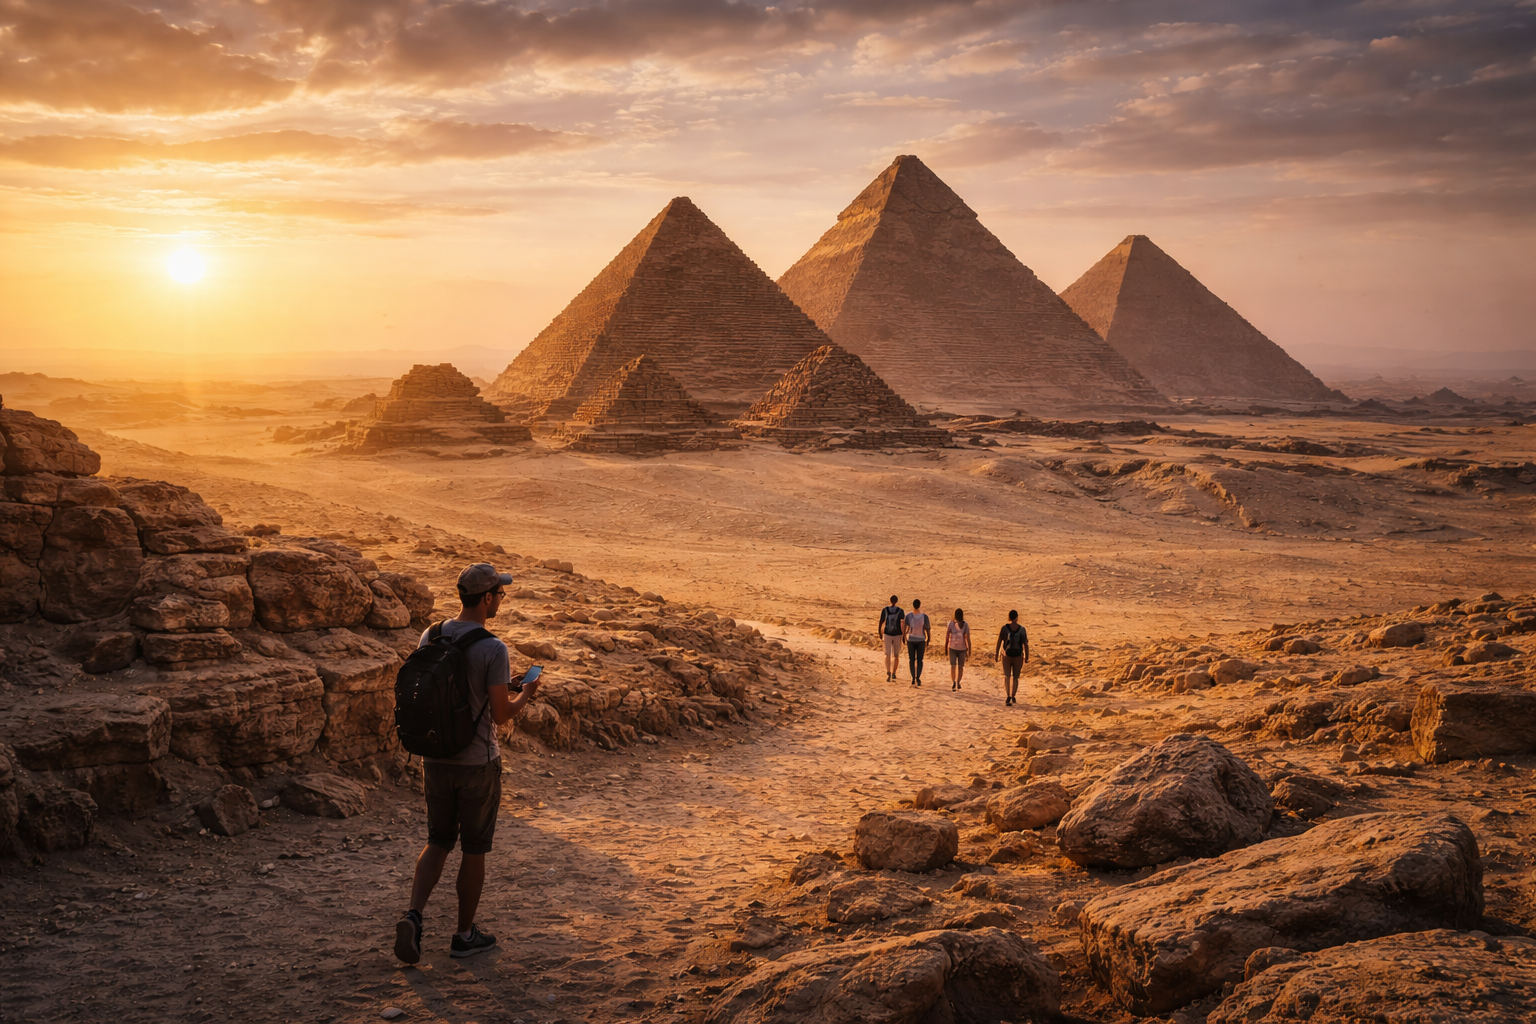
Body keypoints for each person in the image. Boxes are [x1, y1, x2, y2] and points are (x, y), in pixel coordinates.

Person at [395, 563, 543, 965]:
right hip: (477, 762)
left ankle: (413, 915)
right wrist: (525, 691)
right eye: (500, 594)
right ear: (488, 599)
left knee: (438, 839)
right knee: (474, 849)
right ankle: (464, 936)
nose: (502, 600)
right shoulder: (493, 648)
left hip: (434, 757)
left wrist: (499, 686)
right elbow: (500, 714)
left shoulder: (433, 633)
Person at [994, 609, 1030, 706]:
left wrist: (996, 654)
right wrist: (1027, 656)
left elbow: (999, 641)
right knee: (1015, 677)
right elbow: (1025, 644)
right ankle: (1013, 696)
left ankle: (1008, 696)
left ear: (1009, 617)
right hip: (1018, 656)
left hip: (1006, 655)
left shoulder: (1004, 628)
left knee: (1007, 676)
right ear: (1017, 617)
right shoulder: (1022, 629)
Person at [876, 595, 906, 682]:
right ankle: (893, 673)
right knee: (896, 656)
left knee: (887, 654)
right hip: (897, 635)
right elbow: (902, 624)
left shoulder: (885, 610)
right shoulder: (900, 611)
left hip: (887, 634)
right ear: (897, 601)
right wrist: (903, 636)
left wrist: (879, 632)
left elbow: (881, 621)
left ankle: (888, 671)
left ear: (890, 600)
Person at [903, 599, 931, 686]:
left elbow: (905, 628)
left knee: (911, 659)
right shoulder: (924, 616)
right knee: (920, 660)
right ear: (920, 605)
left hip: (911, 639)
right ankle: (918, 677)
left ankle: (912, 677)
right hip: (921, 639)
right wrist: (928, 638)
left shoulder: (909, 616)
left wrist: (903, 637)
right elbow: (927, 629)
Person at [946, 608, 971, 690]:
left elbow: (947, 636)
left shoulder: (951, 623)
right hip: (962, 648)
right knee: (960, 667)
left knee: (953, 666)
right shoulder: (965, 624)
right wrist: (969, 649)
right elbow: (968, 638)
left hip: (952, 647)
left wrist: (946, 646)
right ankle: (958, 682)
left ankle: (953, 681)